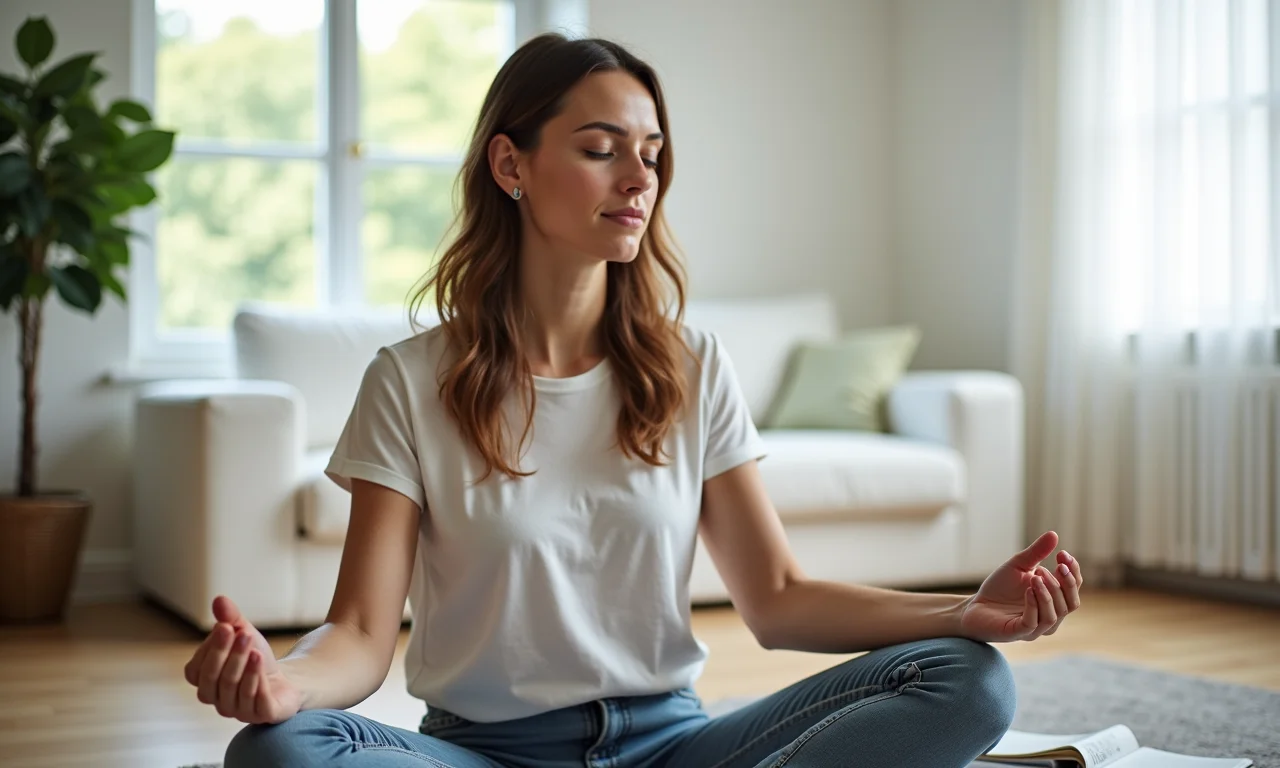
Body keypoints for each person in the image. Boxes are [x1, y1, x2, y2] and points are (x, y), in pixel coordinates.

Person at [185, 32, 1083, 768]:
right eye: (600, 149)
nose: (638, 179)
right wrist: (284, 682)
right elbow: (358, 633)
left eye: (650, 155)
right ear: (511, 164)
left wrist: (965, 612)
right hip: (485, 757)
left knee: (970, 678)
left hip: (673, 748)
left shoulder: (690, 365)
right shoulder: (411, 379)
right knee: (284, 752)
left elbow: (776, 597)